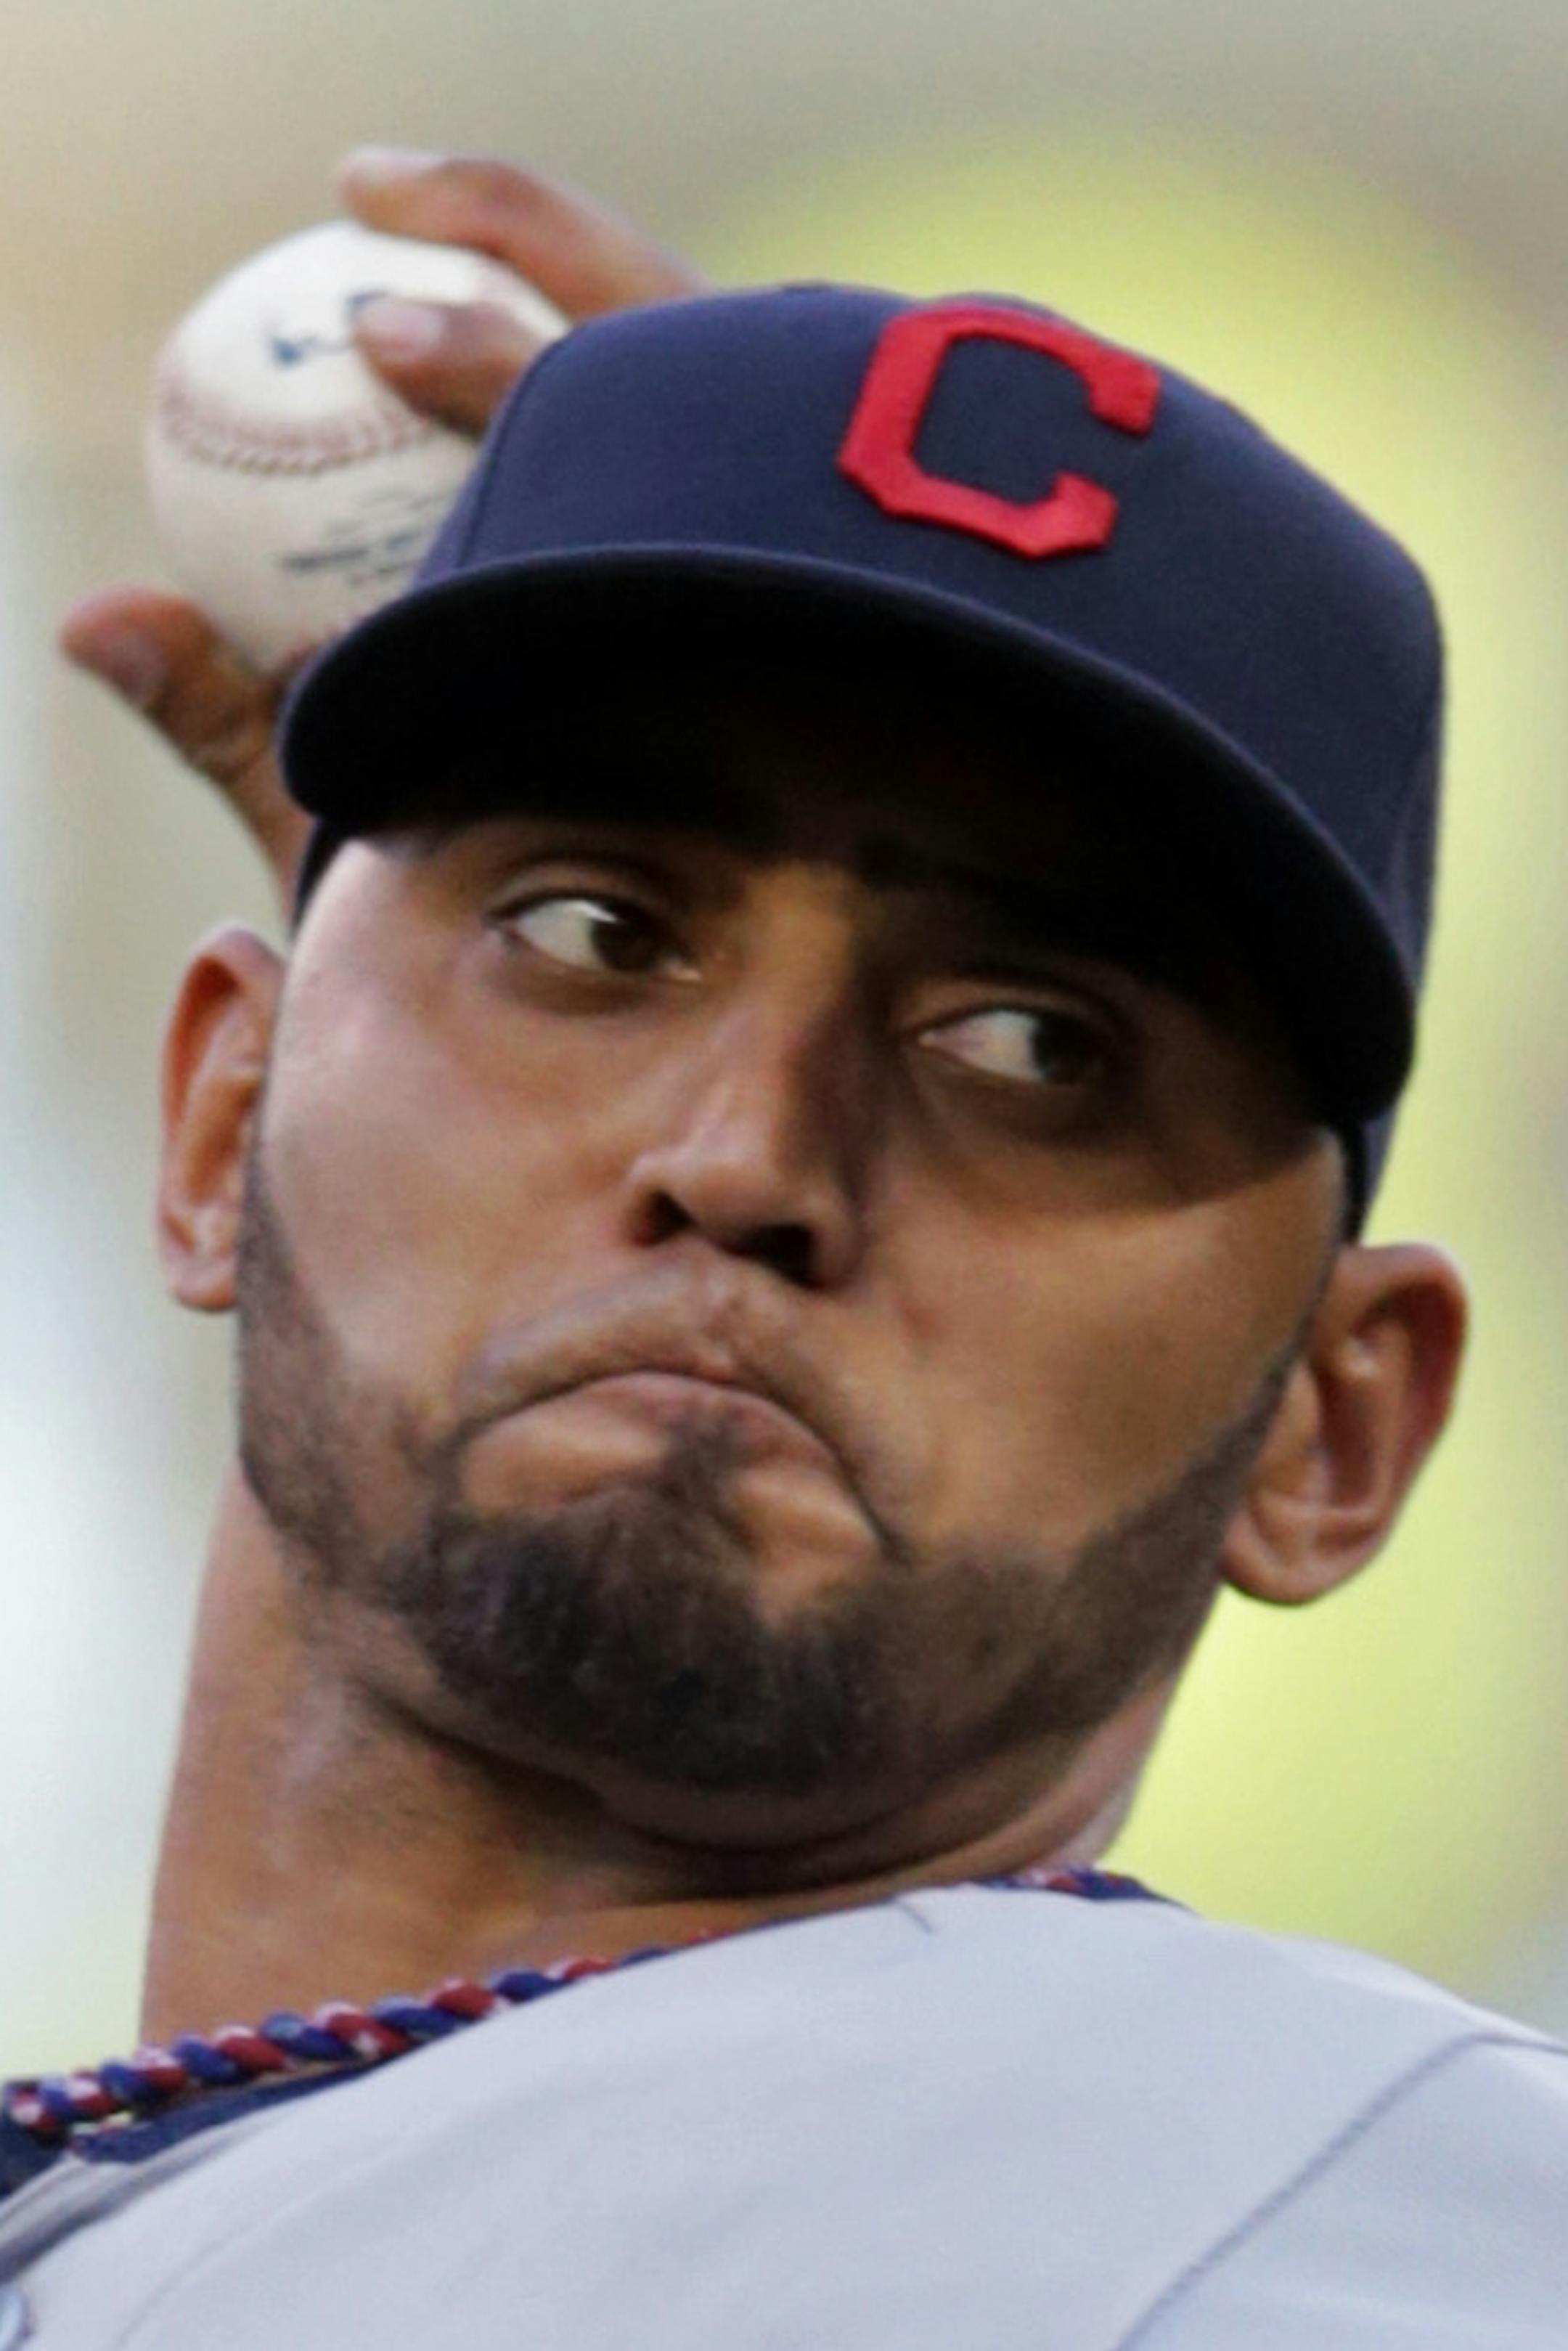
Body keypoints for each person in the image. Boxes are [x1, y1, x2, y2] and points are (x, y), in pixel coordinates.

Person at [9, 149, 1566, 2347]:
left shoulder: (1372, 2217)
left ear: (1336, 1421)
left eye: (1033, 1044)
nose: (746, 1154)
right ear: (219, 1120)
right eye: (594, 930)